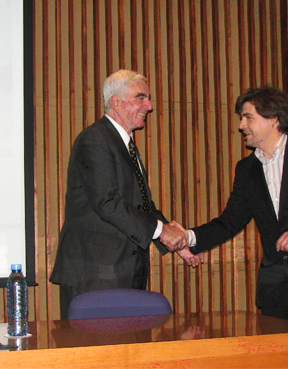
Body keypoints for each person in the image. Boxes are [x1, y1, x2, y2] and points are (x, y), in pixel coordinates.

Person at [173, 86, 288, 368]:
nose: (241, 126)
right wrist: (187, 237)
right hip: (276, 293)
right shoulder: (246, 169)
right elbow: (229, 221)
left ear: (273, 118)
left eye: (247, 117)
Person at [50, 69, 198, 320]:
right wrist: (163, 231)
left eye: (148, 98)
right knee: (97, 357)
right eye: (141, 98)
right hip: (95, 274)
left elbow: (142, 205)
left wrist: (176, 241)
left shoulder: (124, 144)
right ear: (115, 102)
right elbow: (107, 203)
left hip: (122, 272)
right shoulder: (95, 140)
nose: (149, 106)